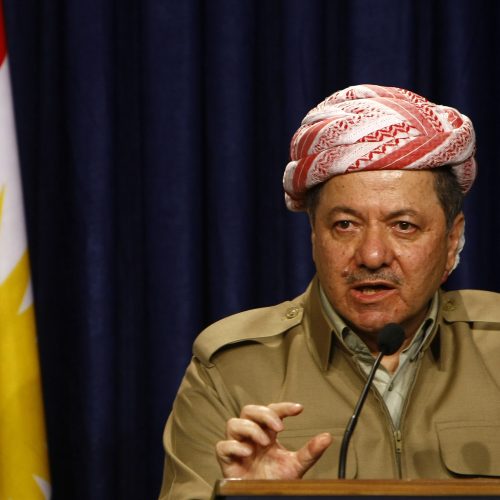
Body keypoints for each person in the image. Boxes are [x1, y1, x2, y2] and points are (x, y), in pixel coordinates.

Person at [158, 84, 500, 500]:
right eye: (345, 225)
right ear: (314, 235)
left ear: (451, 240)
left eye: (403, 226)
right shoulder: (232, 369)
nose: (372, 255)